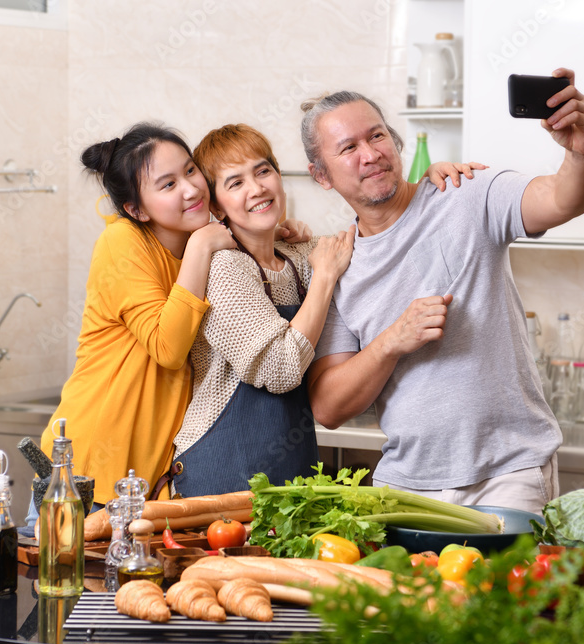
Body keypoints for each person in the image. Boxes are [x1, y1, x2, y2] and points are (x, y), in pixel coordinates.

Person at [302, 68, 584, 514]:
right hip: (405, 486)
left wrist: (582, 151)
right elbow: (328, 407)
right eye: (348, 147)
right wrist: (392, 341)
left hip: (508, 474)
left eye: (377, 136)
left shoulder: (464, 193)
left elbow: (562, 199)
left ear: (395, 142)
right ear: (321, 175)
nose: (370, 154)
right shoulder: (338, 266)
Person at [170, 124, 479, 497]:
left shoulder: (298, 254)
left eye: (263, 171)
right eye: (235, 183)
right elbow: (280, 369)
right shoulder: (224, 267)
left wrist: (425, 192)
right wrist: (324, 277)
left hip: (290, 466)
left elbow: (374, 241)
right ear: (217, 205)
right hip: (220, 467)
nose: (257, 189)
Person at [28, 123, 310, 529]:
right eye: (167, 184)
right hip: (88, 477)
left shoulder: (206, 244)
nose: (192, 189)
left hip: (152, 484)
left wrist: (282, 234)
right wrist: (202, 244)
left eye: (191, 171)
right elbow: (168, 347)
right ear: (137, 210)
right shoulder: (123, 243)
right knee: (74, 590)